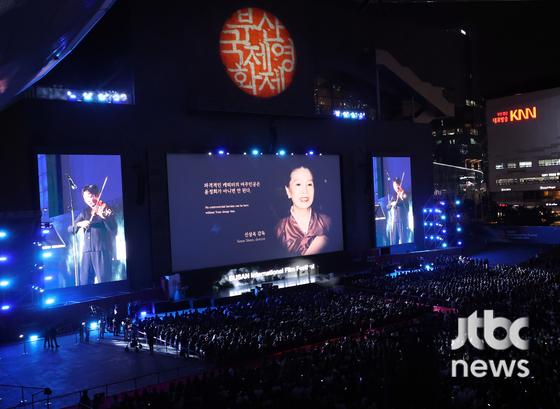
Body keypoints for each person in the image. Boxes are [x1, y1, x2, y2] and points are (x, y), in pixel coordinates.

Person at [275, 166, 331, 256]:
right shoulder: (279, 229)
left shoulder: (327, 222)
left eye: (309, 184)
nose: (305, 191)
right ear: (288, 191)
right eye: (298, 184)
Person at [68, 184, 117, 285]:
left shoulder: (104, 208)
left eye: (90, 196)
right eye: (85, 197)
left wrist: (104, 217)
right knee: (85, 282)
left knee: (104, 281)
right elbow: (70, 229)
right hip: (86, 252)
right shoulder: (85, 212)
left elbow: (113, 229)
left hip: (101, 251)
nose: (88, 200)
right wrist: (80, 224)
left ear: (97, 195)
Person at [386, 177, 409, 245]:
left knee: (402, 241)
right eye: (393, 186)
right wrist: (392, 204)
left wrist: (401, 196)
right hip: (394, 221)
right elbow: (388, 207)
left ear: (399, 185)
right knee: (393, 241)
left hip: (401, 220)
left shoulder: (404, 193)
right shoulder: (393, 195)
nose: (395, 187)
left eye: (396, 185)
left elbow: (405, 205)